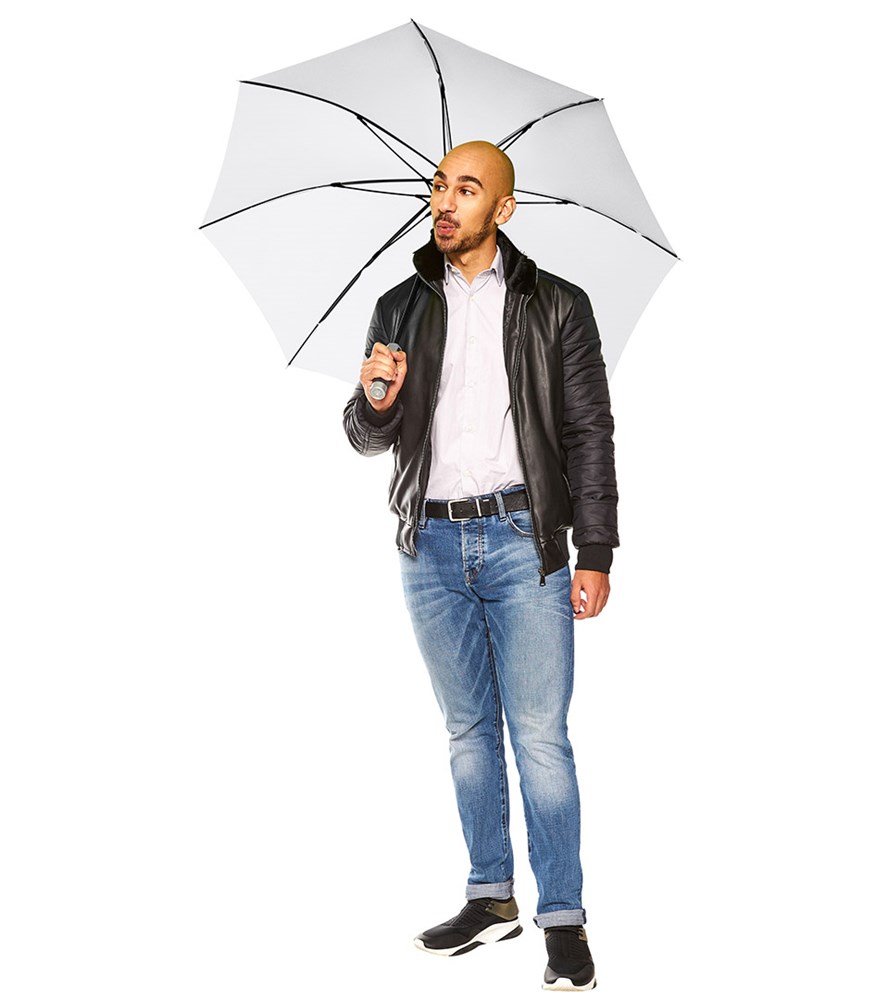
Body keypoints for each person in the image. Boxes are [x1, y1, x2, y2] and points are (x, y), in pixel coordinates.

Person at [342, 140, 617, 992]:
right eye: (438, 185)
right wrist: (375, 399)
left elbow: (588, 432)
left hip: (523, 539)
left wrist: (595, 549)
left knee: (539, 738)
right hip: (427, 544)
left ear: (503, 208)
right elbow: (366, 436)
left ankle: (562, 917)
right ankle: (490, 896)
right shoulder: (398, 306)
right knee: (467, 733)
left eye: (467, 189)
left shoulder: (557, 305)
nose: (445, 201)